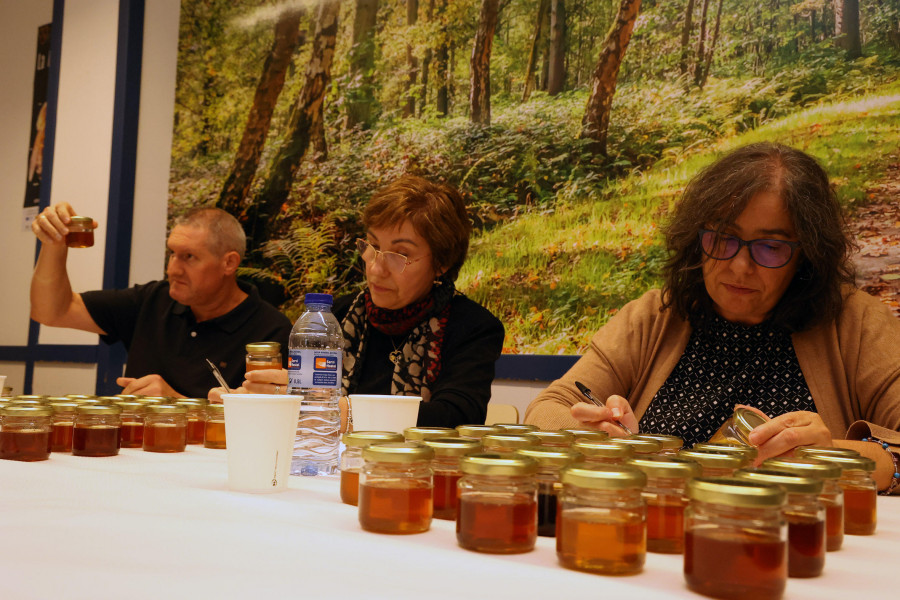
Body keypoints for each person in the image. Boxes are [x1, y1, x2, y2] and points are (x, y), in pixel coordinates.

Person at [524, 142, 900, 493]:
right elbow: (546, 409)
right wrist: (596, 433)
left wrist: (828, 454)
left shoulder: (858, 324)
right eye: (723, 237)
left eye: (770, 247)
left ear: (807, 255)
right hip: (657, 532)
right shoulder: (654, 317)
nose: (739, 266)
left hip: (798, 543)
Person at [211, 174, 505, 428]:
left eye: (398, 255)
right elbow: (294, 399)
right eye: (372, 247)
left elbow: (457, 418)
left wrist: (340, 413)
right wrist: (254, 399)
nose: (376, 268)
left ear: (441, 262)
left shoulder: (473, 327)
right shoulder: (334, 317)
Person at [30, 204, 292, 398]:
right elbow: (52, 311)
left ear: (229, 263)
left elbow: (266, 423)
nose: (173, 270)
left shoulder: (271, 332)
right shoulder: (152, 300)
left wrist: (173, 402)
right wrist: (53, 243)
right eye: (172, 254)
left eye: (189, 257)